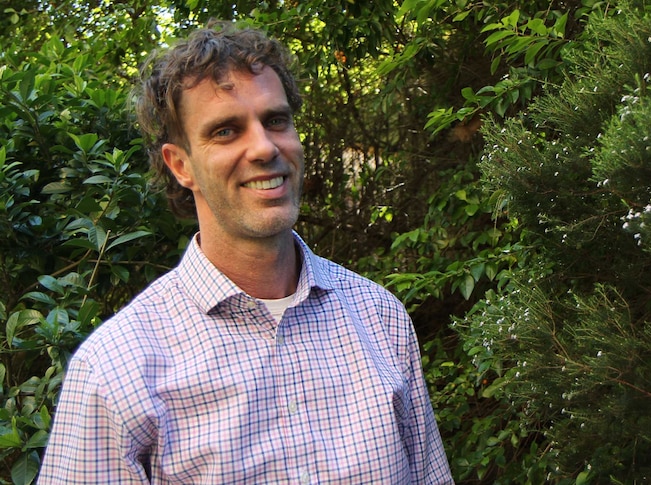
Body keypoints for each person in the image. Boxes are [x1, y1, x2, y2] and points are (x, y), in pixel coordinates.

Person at [38, 21, 453, 484]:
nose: (263, 147)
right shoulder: (116, 371)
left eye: (275, 120)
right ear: (181, 165)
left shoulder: (380, 318)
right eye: (226, 131)